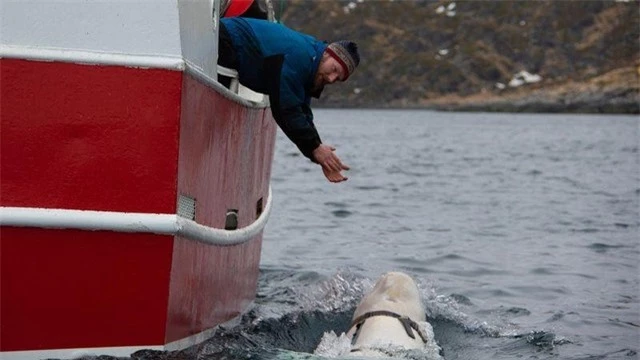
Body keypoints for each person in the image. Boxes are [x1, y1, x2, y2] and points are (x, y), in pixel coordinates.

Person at [218, 17, 360, 183]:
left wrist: (319, 151)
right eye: (334, 69)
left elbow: (302, 111)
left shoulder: (311, 64)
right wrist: (315, 149)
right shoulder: (299, 56)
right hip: (226, 38)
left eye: (338, 78)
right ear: (327, 53)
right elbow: (285, 107)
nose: (331, 78)